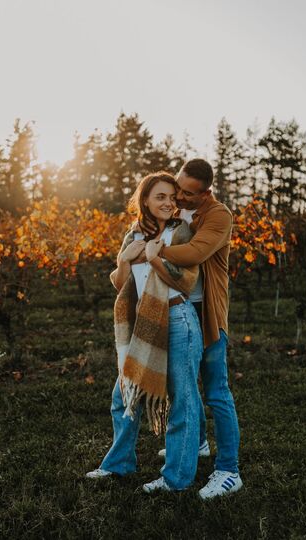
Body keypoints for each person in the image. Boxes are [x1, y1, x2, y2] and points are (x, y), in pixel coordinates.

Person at [85, 172, 204, 492]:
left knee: (183, 400)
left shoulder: (182, 231)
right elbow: (122, 284)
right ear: (145, 201)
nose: (168, 203)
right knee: (123, 397)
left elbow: (185, 280)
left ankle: (176, 478)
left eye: (171, 197)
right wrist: (125, 259)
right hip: (144, 324)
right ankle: (119, 464)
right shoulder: (134, 233)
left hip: (179, 319)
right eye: (160, 197)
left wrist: (154, 258)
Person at [148, 159, 243, 500]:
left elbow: (194, 253)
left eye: (189, 193)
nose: (181, 197)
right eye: (179, 188)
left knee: (217, 390)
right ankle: (198, 444)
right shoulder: (176, 209)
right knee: (184, 387)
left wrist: (151, 254)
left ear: (205, 193)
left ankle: (229, 470)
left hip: (209, 315)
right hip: (180, 312)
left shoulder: (218, 215)